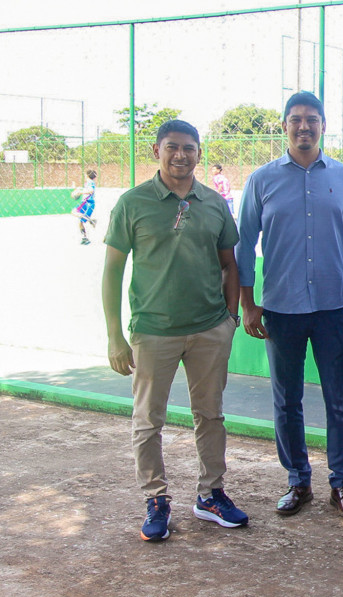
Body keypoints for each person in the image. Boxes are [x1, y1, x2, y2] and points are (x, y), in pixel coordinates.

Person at [101, 120, 247, 542]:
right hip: (153, 331)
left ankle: (211, 494)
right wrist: (115, 336)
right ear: (156, 151)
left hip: (209, 330)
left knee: (210, 415)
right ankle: (156, 499)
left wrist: (230, 318)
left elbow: (229, 264)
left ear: (199, 153)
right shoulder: (133, 203)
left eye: (189, 148)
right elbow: (112, 272)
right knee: (148, 420)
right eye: (172, 147)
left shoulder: (214, 203)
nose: (181, 155)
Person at [236, 91, 343, 520]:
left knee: (340, 401)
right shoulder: (262, 180)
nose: (304, 126)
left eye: (312, 119)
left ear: (323, 126)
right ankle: (298, 481)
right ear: (284, 126)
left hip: (335, 308)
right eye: (295, 119)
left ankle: (342, 483)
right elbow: (243, 244)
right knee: (287, 401)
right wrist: (249, 304)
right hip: (281, 309)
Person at [71, 169, 98, 245]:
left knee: (74, 212)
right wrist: (78, 189)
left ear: (87, 175)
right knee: (80, 222)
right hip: (86, 203)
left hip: (87, 203)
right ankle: (85, 238)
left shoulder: (90, 182)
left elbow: (91, 190)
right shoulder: (89, 183)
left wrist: (80, 192)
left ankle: (91, 221)